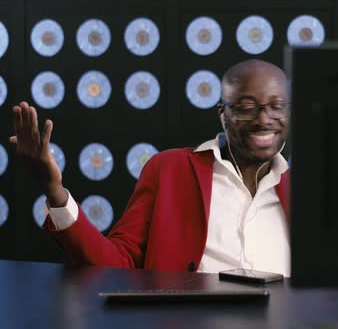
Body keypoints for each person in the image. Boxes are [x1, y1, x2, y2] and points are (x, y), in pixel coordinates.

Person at [9, 59, 291, 275]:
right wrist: (54, 190)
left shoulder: (311, 187)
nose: (264, 119)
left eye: (277, 106)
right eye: (246, 107)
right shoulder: (168, 170)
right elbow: (115, 265)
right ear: (223, 114)